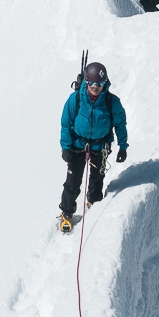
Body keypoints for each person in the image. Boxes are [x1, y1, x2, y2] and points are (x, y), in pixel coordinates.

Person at [59, 61, 128, 232]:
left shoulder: (112, 102)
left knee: (97, 179)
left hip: (100, 147)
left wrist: (123, 146)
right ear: (86, 82)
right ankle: (67, 213)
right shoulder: (75, 99)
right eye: (92, 83)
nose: (96, 87)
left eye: (100, 83)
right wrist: (66, 147)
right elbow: (66, 123)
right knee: (72, 181)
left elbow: (120, 124)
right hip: (77, 146)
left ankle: (94, 203)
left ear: (105, 83)